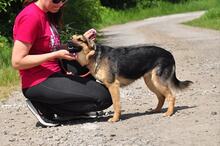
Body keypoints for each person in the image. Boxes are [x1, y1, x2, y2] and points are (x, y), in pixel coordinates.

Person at [12, 0, 112, 127]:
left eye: (63, 1)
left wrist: (80, 42)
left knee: (86, 64)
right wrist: (55, 55)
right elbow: (17, 61)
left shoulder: (47, 13)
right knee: (104, 97)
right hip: (38, 81)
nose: (60, 5)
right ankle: (44, 107)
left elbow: (50, 47)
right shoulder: (30, 17)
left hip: (54, 72)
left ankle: (66, 109)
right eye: (56, 0)